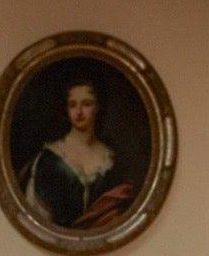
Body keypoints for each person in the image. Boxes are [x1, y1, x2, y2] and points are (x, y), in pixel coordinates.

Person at [21, 74, 140, 233]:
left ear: (97, 107)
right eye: (72, 105)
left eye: (86, 104)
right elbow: (37, 221)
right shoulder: (49, 159)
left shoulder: (113, 161)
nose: (78, 111)